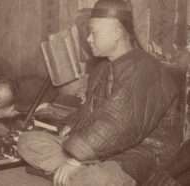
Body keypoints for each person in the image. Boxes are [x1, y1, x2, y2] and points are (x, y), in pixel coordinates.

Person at [17, 0, 183, 185]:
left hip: (139, 154)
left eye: (93, 32)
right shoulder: (103, 67)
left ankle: (79, 174)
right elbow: (90, 111)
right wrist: (71, 126)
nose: (88, 39)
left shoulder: (145, 69)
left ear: (117, 32)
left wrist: (76, 159)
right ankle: (78, 175)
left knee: (95, 178)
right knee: (27, 141)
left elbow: (118, 124)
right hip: (101, 149)